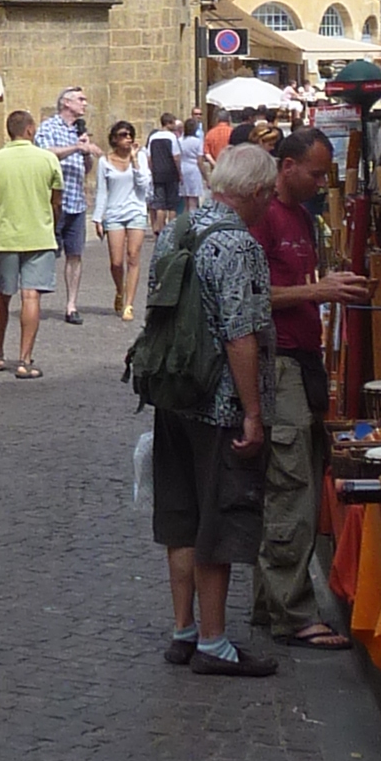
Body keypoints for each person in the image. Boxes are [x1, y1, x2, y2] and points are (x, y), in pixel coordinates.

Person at [150, 141, 281, 677]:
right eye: (267, 194)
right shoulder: (239, 246)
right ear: (252, 193)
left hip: (174, 392)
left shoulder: (178, 230)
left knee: (180, 519)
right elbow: (240, 334)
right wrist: (253, 412)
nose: (269, 203)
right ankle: (214, 641)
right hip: (217, 402)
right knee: (217, 521)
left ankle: (183, 630)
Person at [248, 128, 369, 650]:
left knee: (294, 479)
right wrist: (319, 290)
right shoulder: (266, 217)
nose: (323, 183)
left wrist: (328, 284)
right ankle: (293, 613)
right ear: (287, 166)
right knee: (291, 485)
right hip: (278, 362)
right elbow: (251, 294)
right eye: (316, 173)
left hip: (302, 360)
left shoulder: (299, 214)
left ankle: (269, 600)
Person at [0, 108, 64, 376]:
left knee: (1, 297)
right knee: (31, 295)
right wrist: (52, 223)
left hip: (4, 237)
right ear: (29, 130)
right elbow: (57, 200)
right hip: (39, 235)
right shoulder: (48, 160)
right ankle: (25, 360)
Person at [34, 88, 97, 323]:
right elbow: (45, 154)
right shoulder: (49, 127)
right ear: (66, 103)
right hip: (54, 202)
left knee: (75, 254)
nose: (85, 104)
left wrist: (86, 152)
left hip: (76, 201)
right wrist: (76, 148)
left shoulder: (79, 131)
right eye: (81, 99)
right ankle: (34, 300)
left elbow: (86, 169)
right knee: (45, 252)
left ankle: (71, 305)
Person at [92, 119, 154, 322]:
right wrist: (97, 218)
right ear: (114, 139)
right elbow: (102, 191)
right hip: (114, 213)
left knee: (133, 256)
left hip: (136, 210)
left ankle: (129, 303)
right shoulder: (104, 161)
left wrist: (135, 161)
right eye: (122, 135)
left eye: (130, 135)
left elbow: (144, 185)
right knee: (116, 262)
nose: (127, 139)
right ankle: (120, 289)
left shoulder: (141, 157)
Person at [145, 116, 184, 234]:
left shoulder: (153, 137)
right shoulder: (172, 137)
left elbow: (149, 157)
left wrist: (153, 170)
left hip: (157, 173)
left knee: (160, 204)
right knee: (172, 204)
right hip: (171, 172)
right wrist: (180, 173)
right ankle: (171, 229)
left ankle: (160, 228)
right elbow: (176, 157)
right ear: (168, 124)